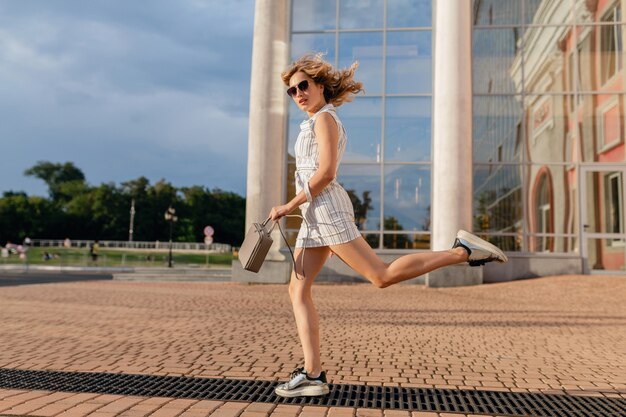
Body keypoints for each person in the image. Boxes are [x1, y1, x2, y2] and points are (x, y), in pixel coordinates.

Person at [268, 53, 508, 398]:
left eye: (303, 85)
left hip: (327, 211)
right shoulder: (312, 122)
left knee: (380, 276)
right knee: (297, 289)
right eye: (292, 91)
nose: (299, 94)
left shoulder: (325, 119)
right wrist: (298, 208)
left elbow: (327, 173)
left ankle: (462, 252)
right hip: (313, 216)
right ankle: (313, 374)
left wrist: (289, 205)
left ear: (320, 86)